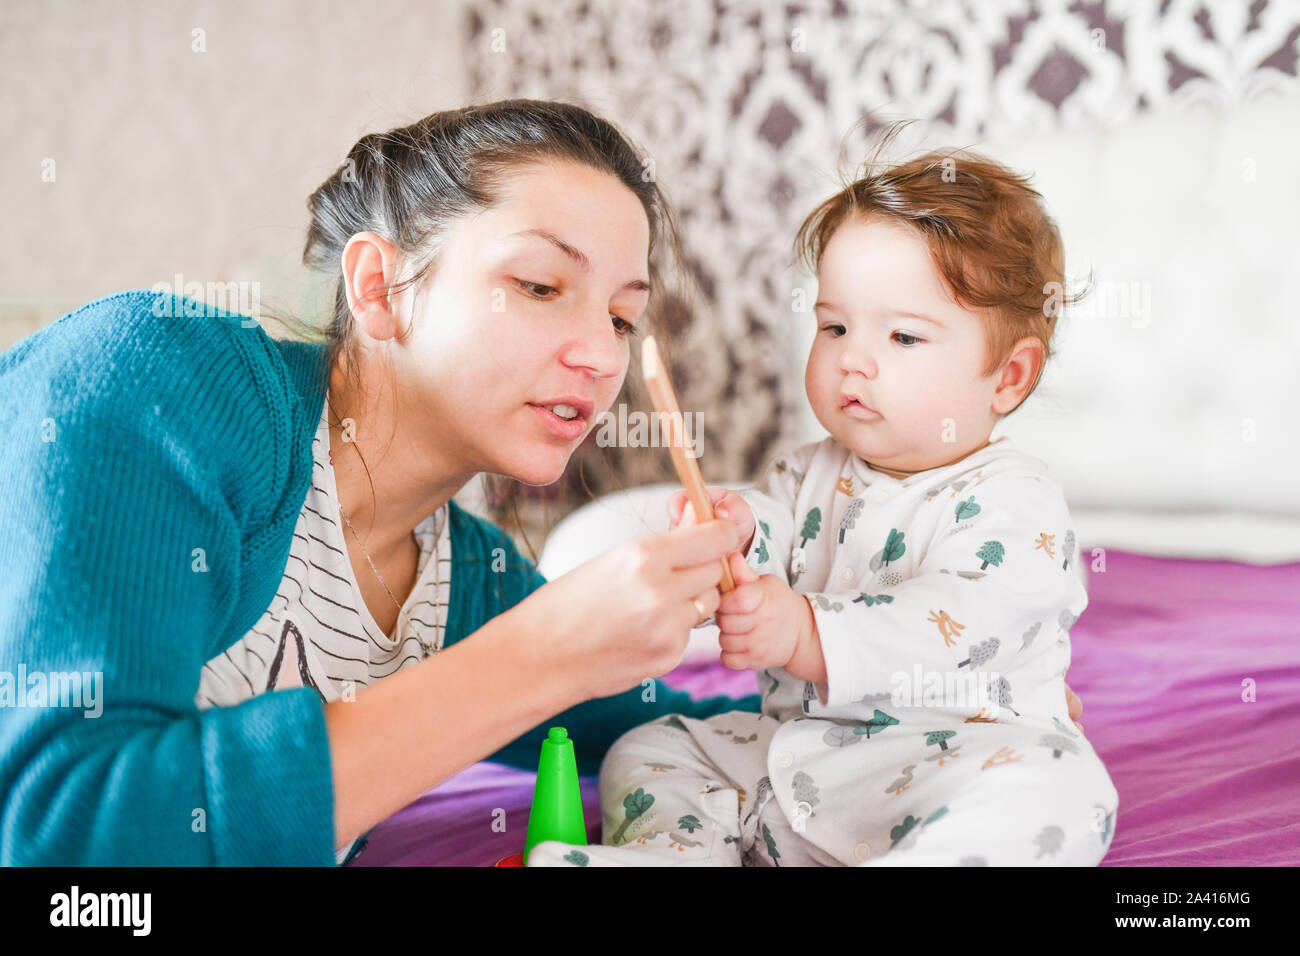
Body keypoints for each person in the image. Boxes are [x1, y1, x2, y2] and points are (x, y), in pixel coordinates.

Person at [0, 101, 1083, 867]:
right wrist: (544, 649)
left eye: (621, 315)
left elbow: (654, 727)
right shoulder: (157, 377)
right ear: (380, 286)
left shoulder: (462, 575)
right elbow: (60, 837)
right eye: (538, 283)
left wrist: (940, 720)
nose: (600, 356)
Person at [527, 131, 1113, 867]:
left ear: (1008, 376)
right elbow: (772, 534)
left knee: (1064, 791)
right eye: (833, 325)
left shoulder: (1016, 500)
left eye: (903, 336)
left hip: (945, 768)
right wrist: (731, 538)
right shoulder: (808, 471)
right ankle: (680, 853)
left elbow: (956, 626)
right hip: (794, 761)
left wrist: (805, 633)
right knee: (651, 744)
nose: (851, 359)